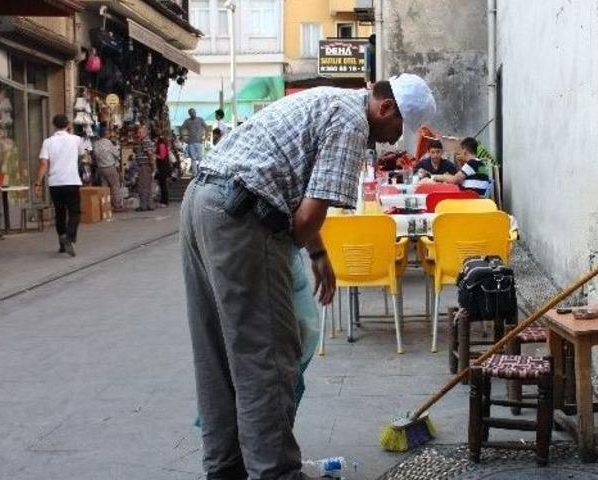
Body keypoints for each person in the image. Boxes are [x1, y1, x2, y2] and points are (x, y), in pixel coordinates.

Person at [180, 73, 435, 479]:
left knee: (215, 355)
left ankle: (225, 470)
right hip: (240, 217)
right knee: (265, 357)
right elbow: (304, 221)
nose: (391, 140)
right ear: (385, 108)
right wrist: (292, 257)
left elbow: (303, 208)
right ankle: (275, 473)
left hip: (200, 203)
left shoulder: (330, 99)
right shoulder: (353, 122)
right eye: (396, 129)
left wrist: (318, 253)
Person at [35, 114, 84, 257]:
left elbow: (44, 163)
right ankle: (69, 236)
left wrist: (38, 183)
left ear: (54, 125)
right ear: (68, 125)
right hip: (71, 181)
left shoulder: (48, 142)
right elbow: (82, 155)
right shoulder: (76, 140)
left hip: (55, 183)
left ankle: (62, 244)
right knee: (74, 212)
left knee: (60, 213)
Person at [92, 125, 124, 211]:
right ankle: (117, 205)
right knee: (115, 186)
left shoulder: (96, 143)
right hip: (109, 167)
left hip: (100, 168)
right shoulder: (108, 143)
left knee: (104, 187)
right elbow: (116, 154)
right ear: (106, 134)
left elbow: (94, 156)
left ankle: (105, 205)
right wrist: (117, 148)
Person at [134, 125, 156, 211]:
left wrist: (152, 164)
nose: (138, 134)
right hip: (144, 166)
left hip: (145, 166)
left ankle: (144, 206)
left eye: (140, 132)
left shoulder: (145, 141)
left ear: (145, 133)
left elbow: (150, 153)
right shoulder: (142, 141)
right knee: (147, 186)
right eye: (138, 132)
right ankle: (149, 205)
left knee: (143, 186)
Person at [181, 108, 206, 175]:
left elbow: (206, 127)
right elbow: (182, 128)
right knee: (193, 158)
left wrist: (205, 137)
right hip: (191, 142)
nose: (193, 114)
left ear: (195, 112)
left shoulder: (200, 119)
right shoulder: (187, 121)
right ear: (189, 114)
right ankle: (195, 173)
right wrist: (184, 138)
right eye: (191, 113)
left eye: (194, 112)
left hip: (199, 142)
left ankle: (201, 172)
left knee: (200, 157)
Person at [155, 132, 171, 207]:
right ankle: (163, 201)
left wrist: (155, 155)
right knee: (162, 185)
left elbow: (162, 156)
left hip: (163, 168)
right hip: (163, 167)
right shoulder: (164, 145)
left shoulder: (161, 145)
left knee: (163, 185)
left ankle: (164, 201)